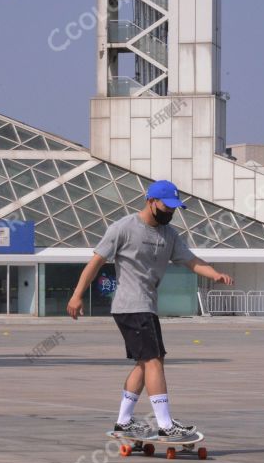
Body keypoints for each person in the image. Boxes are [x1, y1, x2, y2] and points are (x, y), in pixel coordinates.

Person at [66, 180, 234, 440]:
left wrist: (215, 274)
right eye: (166, 207)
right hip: (131, 305)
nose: (170, 213)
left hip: (146, 306)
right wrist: (77, 295)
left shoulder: (170, 235)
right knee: (154, 360)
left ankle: (124, 421)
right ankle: (166, 425)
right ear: (150, 201)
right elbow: (95, 262)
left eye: (174, 208)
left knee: (147, 363)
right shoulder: (123, 228)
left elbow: (192, 261)